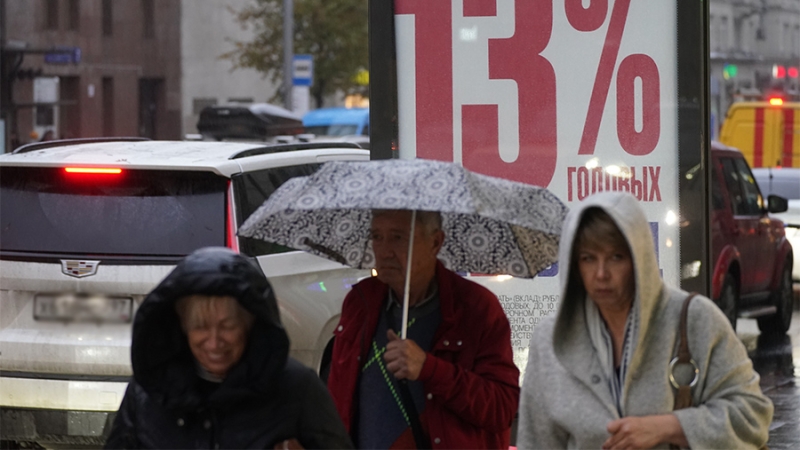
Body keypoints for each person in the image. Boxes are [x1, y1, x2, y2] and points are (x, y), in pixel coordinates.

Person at [517, 192, 773, 449]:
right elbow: (536, 441)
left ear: (639, 258)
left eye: (616, 257)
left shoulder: (696, 319)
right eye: (588, 258)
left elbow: (752, 415)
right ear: (574, 264)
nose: (601, 273)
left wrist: (670, 427)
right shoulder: (549, 339)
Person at [105, 247, 353, 449]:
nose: (214, 342)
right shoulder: (147, 390)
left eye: (227, 326)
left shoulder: (298, 389)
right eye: (200, 326)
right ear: (182, 327)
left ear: (249, 324)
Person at [326, 209, 520, 449]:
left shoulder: (476, 308)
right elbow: (338, 397)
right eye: (377, 236)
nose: (384, 251)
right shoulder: (359, 302)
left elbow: (502, 408)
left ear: (435, 242)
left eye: (398, 237)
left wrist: (431, 369)